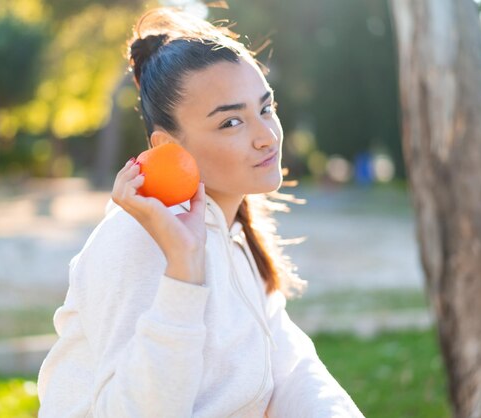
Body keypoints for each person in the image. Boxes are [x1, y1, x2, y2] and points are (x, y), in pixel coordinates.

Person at [37, 7, 364, 418]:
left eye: (266, 108)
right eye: (231, 122)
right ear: (167, 147)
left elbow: (291, 364)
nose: (266, 137)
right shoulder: (136, 239)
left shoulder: (239, 235)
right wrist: (183, 274)